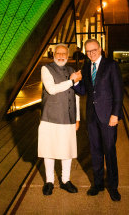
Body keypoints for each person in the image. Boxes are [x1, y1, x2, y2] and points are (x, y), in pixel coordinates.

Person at [73, 38, 124, 202]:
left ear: (100, 49)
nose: (91, 53)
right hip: (92, 117)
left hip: (108, 116)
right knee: (95, 151)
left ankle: (113, 187)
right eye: (88, 51)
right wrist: (75, 82)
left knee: (109, 152)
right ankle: (98, 184)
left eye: (94, 50)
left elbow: (118, 92)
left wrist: (115, 114)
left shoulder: (111, 65)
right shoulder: (87, 66)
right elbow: (84, 90)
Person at [38, 44, 83, 196]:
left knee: (67, 151)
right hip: (50, 117)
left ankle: (65, 181)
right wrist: (71, 81)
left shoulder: (72, 71)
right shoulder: (46, 69)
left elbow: (76, 96)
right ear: (54, 54)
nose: (61, 55)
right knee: (48, 151)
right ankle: (49, 181)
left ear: (68, 55)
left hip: (68, 117)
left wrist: (77, 118)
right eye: (58, 53)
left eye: (64, 53)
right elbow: (51, 89)